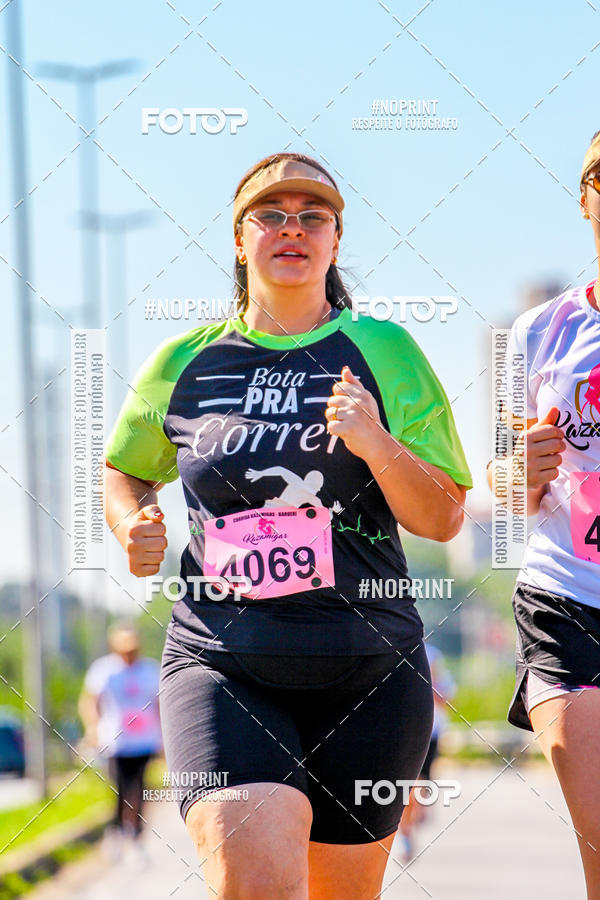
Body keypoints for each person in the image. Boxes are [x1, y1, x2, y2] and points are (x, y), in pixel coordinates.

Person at [104, 152, 472, 899]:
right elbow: (124, 468)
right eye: (270, 215)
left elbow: (442, 516)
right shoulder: (186, 360)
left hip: (369, 669)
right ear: (240, 241)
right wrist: (132, 521)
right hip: (222, 660)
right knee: (257, 884)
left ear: (336, 241)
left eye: (313, 216)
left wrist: (376, 442)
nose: (291, 228)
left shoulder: (385, 353)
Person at [487, 131, 600, 898]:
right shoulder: (537, 333)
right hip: (567, 596)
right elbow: (502, 488)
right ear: (587, 196)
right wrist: (514, 470)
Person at [78, 621, 162, 862]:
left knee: (139, 788)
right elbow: (89, 701)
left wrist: (164, 738)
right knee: (119, 788)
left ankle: (135, 837)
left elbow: (159, 704)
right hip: (115, 741)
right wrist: (92, 728)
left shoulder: (149, 670)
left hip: (144, 741)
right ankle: (116, 830)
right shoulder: (104, 670)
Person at [397, 643, 456, 861]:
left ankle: (413, 820)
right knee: (408, 786)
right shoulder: (397, 650)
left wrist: (430, 686)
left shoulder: (433, 653)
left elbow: (447, 698)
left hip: (431, 732)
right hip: (404, 731)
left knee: (421, 782)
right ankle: (406, 831)